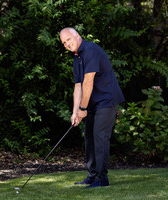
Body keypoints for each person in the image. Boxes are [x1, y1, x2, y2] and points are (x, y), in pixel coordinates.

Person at [59, 27, 125, 188]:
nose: (67, 43)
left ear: (77, 35)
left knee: (99, 137)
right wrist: (75, 112)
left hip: (107, 100)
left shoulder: (91, 50)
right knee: (89, 137)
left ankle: (102, 179)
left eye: (69, 39)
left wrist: (82, 108)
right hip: (93, 102)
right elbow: (78, 87)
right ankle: (92, 175)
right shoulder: (77, 58)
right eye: (64, 42)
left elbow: (88, 81)